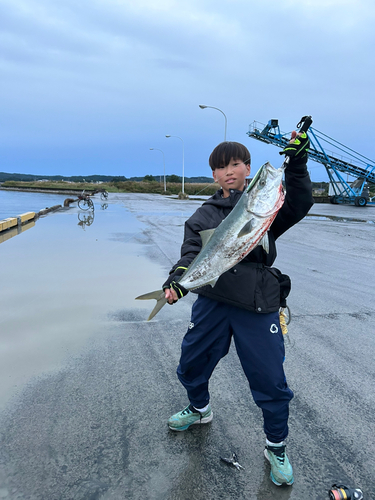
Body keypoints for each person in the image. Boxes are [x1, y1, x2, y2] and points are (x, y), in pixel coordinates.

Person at [162, 130, 313, 487]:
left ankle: (275, 446)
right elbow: (189, 255)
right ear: (213, 174)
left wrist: (298, 164)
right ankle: (200, 409)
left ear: (247, 168)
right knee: (191, 363)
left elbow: (301, 201)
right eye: (221, 167)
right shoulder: (203, 214)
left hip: (258, 303)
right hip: (213, 302)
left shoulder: (268, 206)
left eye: (236, 164)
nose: (229, 171)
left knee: (270, 380)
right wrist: (177, 279)